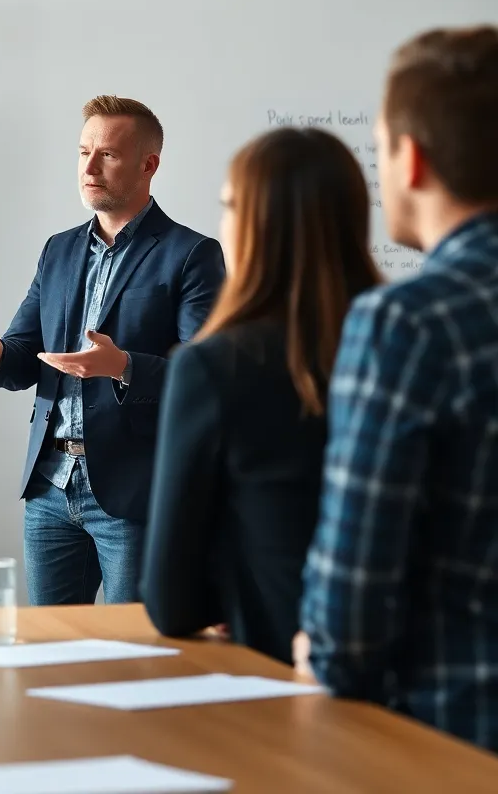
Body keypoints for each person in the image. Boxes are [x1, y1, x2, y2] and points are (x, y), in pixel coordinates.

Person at [0, 96, 224, 605]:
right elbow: (28, 354)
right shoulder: (58, 249)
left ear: (148, 164)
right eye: (83, 151)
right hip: (49, 486)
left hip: (134, 492)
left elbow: (205, 374)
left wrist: (124, 366)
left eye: (107, 154)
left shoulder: (192, 254)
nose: (89, 167)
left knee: (128, 656)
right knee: (49, 653)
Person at [300, 26, 498, 752]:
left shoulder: (406, 323)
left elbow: (350, 613)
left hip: (451, 738)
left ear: (410, 159)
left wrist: (319, 654)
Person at [140, 128, 379, 663]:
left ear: (253, 225)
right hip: (410, 669)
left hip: (276, 670)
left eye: (229, 206)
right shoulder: (403, 339)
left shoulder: (214, 364)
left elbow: (171, 603)